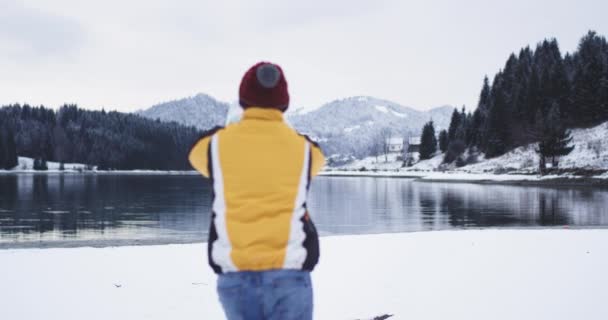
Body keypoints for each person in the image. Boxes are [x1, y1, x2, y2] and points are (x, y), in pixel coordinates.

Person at [189, 62, 325, 320]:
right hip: (290, 274)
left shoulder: (215, 146)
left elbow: (195, 153)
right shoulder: (305, 150)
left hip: (236, 276)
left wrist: (234, 130)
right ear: (284, 103)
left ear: (242, 100)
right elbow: (318, 159)